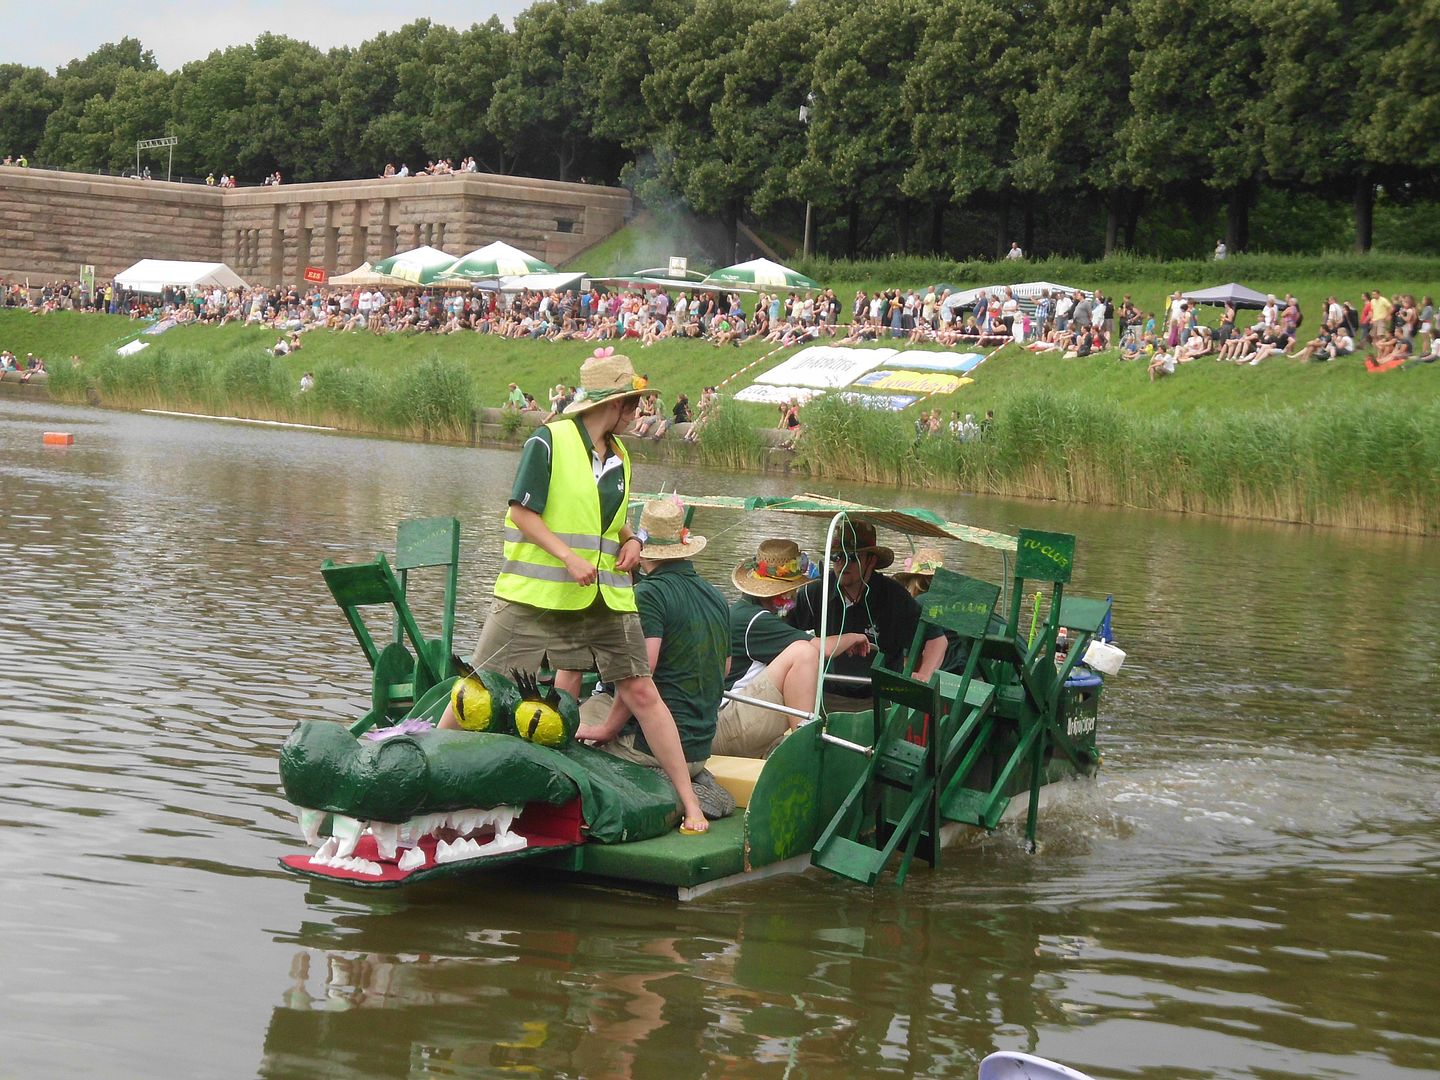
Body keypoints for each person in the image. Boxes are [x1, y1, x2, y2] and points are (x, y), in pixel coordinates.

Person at [437, 349, 710, 834]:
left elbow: (609, 518)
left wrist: (631, 540)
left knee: (643, 691)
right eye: (636, 404)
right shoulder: (548, 441)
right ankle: (429, 776)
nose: (641, 412)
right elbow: (522, 512)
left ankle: (690, 804)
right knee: (476, 686)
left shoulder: (621, 457)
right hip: (534, 595)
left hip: (605, 596)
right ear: (615, 404)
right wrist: (567, 556)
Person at [575, 497, 735, 822]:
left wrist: (607, 729)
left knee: (573, 738)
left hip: (649, 750)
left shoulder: (648, 595)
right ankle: (691, 778)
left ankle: (672, 791)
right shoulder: (716, 596)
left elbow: (641, 672)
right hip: (700, 749)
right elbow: (727, 667)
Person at [712, 539, 871, 758]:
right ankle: (806, 748)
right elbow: (819, 649)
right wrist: (853, 637)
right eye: (792, 589)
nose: (795, 594)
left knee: (802, 653)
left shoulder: (746, 612)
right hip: (726, 723)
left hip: (730, 721)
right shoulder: (754, 620)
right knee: (804, 653)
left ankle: (802, 734)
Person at [788, 520, 948, 712]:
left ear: (871, 561)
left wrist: (924, 675)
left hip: (880, 699)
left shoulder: (894, 595)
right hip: (824, 694)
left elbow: (937, 640)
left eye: (852, 557)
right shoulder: (816, 591)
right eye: (837, 556)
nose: (842, 563)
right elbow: (786, 634)